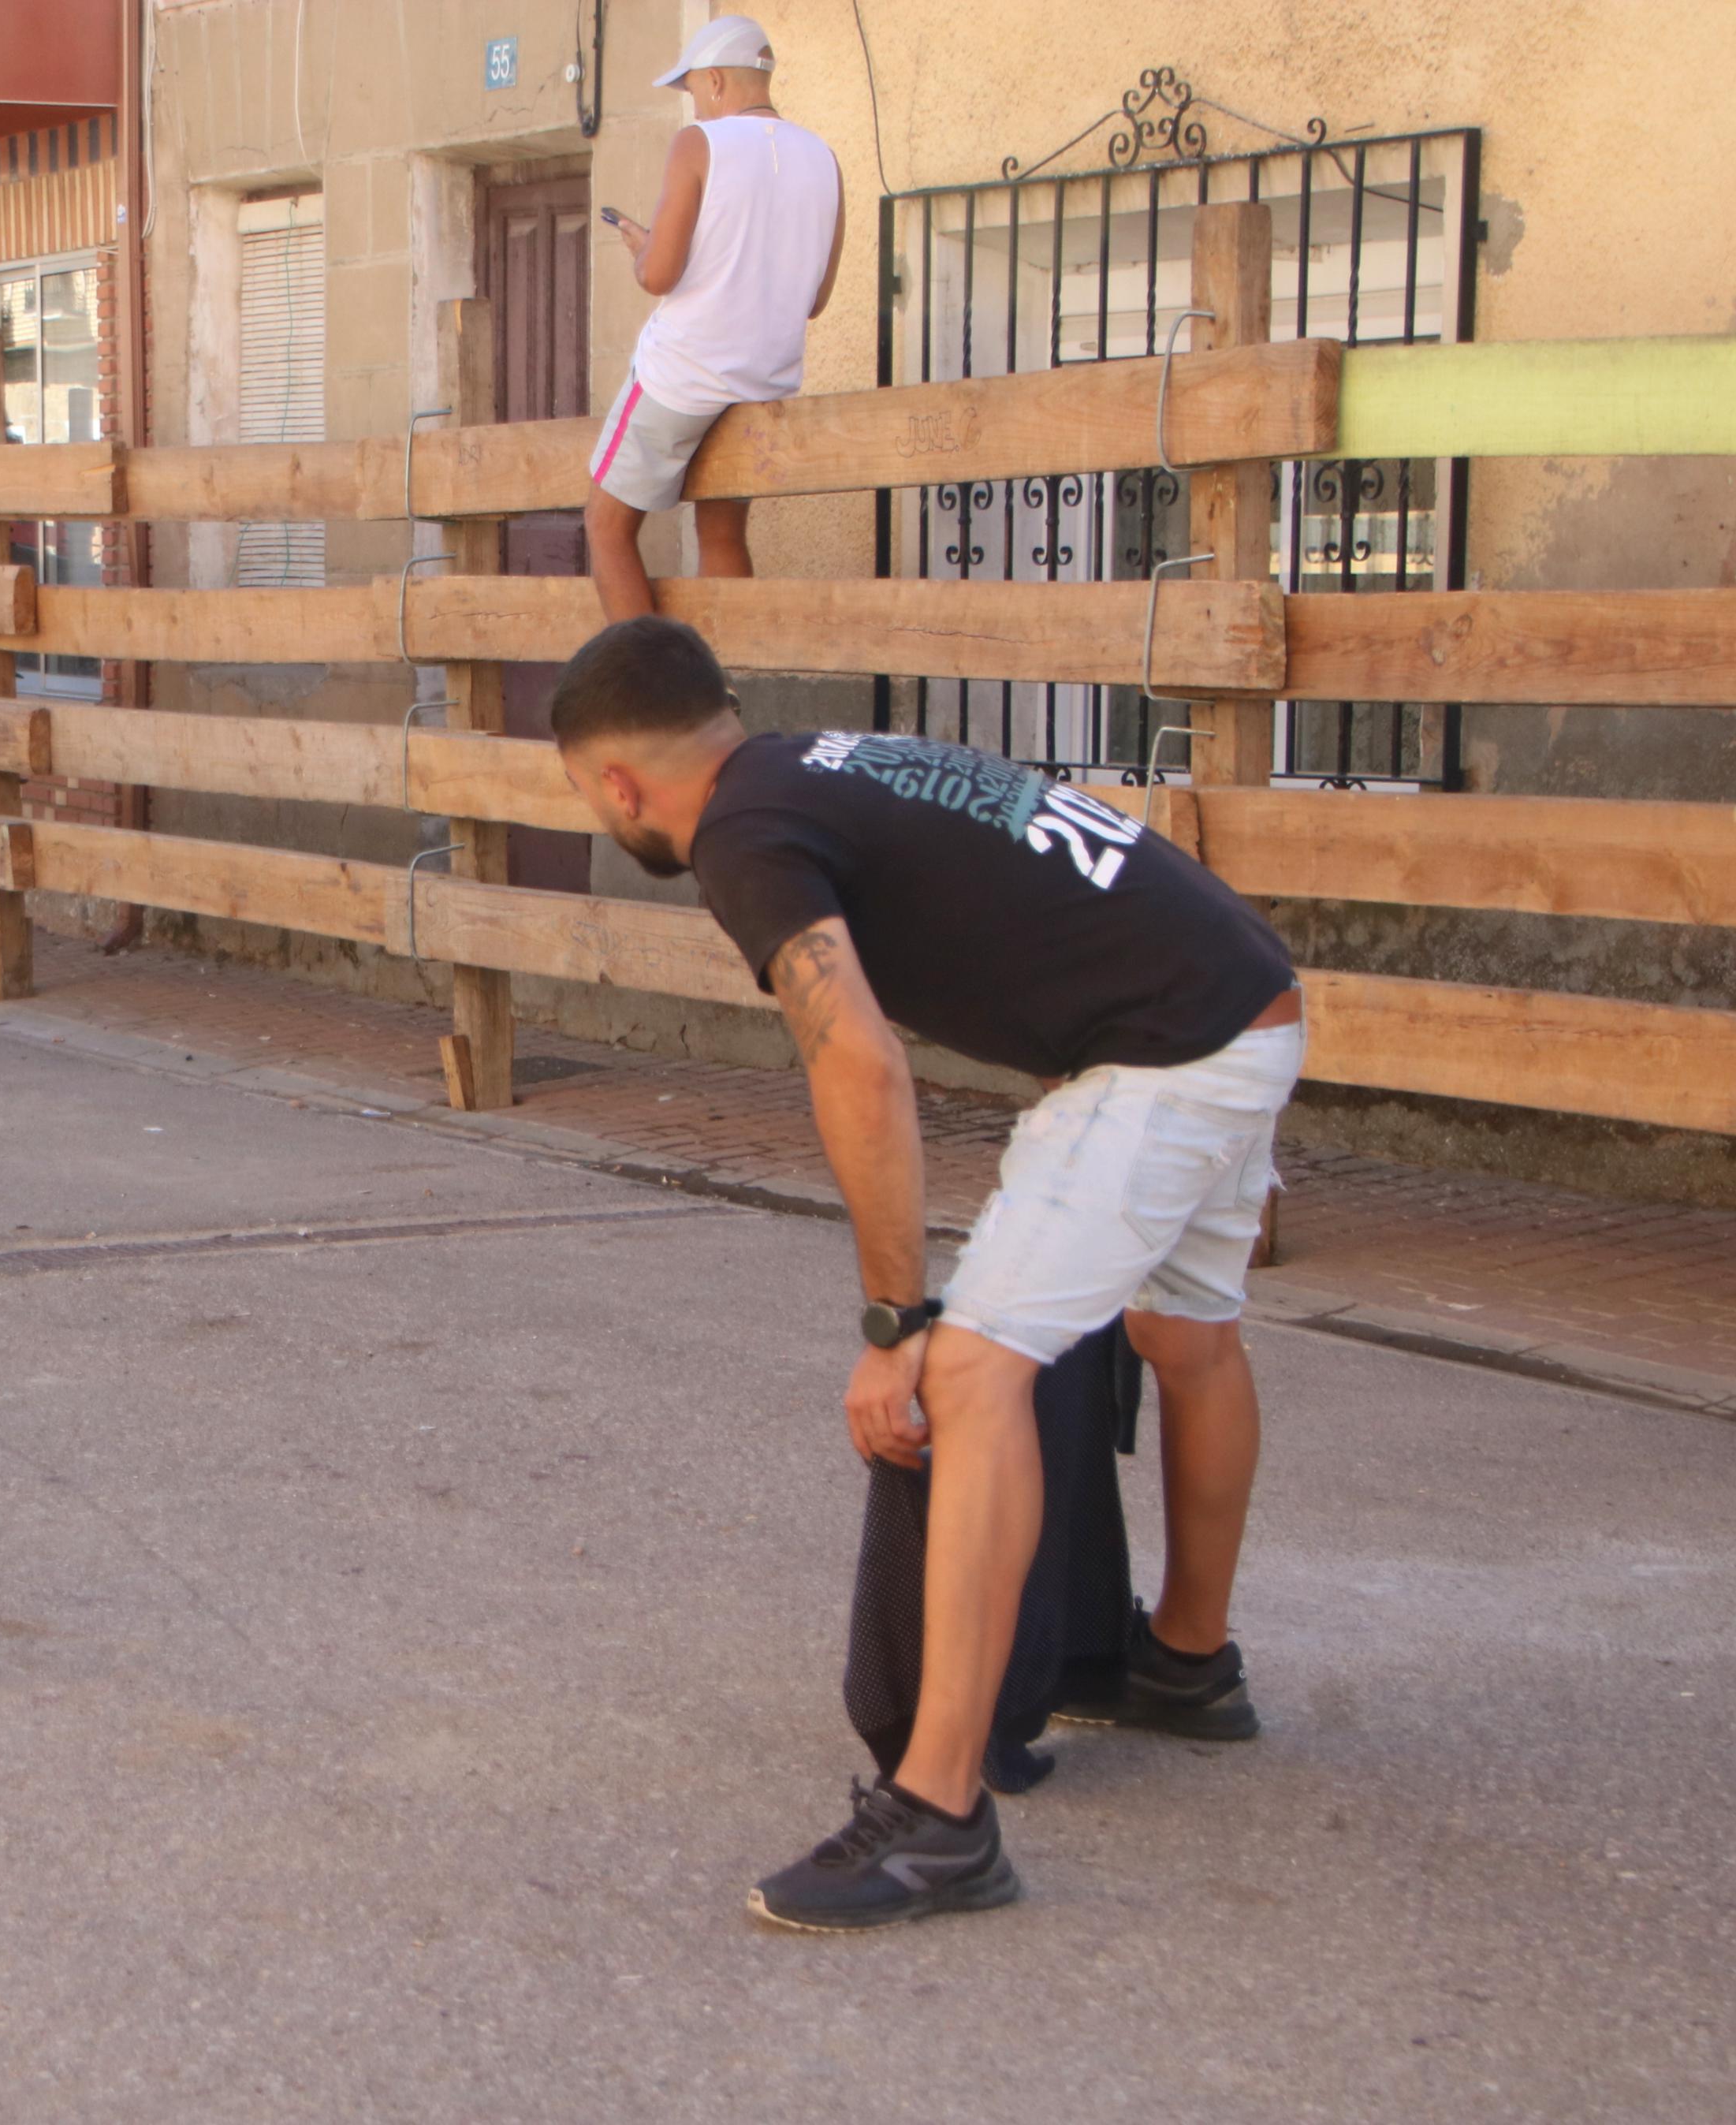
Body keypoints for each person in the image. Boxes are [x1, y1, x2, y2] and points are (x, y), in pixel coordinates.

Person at [546, 617, 1306, 1933]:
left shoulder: (741, 837)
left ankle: (938, 1817)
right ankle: (1185, 1665)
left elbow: (855, 1060)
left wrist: (894, 1321)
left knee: (967, 1373)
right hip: (1242, 997)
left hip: (1162, 1048)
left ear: (616, 785)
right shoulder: (817, 762)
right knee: (1185, 1336)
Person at [586, 16, 843, 621]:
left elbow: (658, 277)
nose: (694, 105)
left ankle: (654, 698)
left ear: (718, 80)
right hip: (763, 381)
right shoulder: (824, 159)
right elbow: (815, 297)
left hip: (683, 376)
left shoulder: (699, 144)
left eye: (694, 90)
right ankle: (718, 696)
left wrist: (643, 249)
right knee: (723, 536)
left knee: (605, 527)